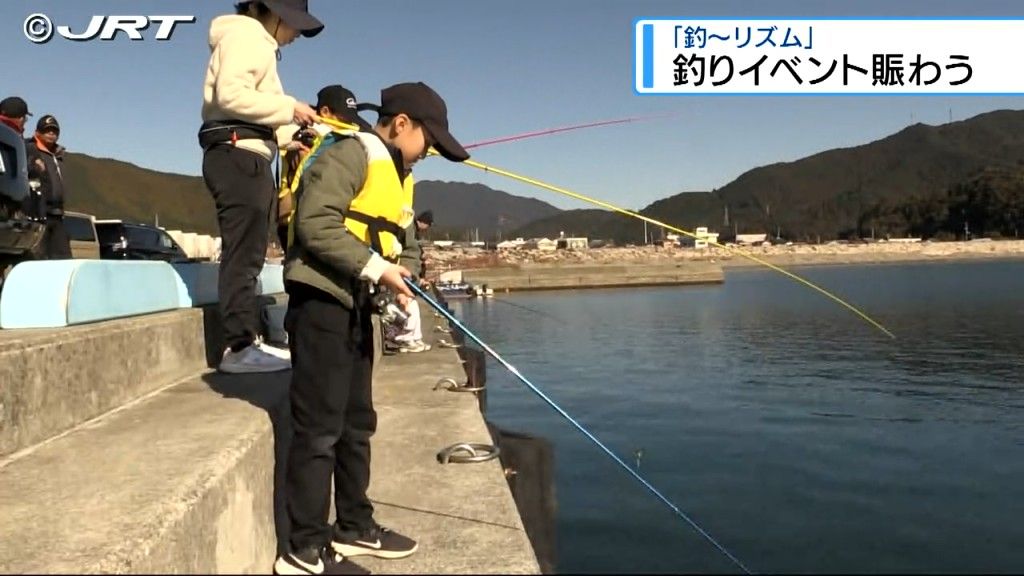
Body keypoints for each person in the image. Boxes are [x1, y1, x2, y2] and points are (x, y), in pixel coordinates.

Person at [277, 82, 469, 575]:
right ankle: (303, 549)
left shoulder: (400, 175)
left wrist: (399, 278)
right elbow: (315, 227)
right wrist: (377, 269)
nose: (428, 153)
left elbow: (402, 241)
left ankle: (354, 527)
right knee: (318, 430)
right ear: (401, 123)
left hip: (358, 308)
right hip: (320, 304)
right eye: (429, 140)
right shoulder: (349, 154)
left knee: (357, 423)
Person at [199, 0, 323, 374]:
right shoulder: (247, 37)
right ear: (273, 13)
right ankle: (238, 347)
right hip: (238, 156)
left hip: (247, 152)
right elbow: (231, 97)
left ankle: (247, 340)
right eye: (295, 25)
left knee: (250, 251)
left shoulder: (251, 40)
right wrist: (290, 108)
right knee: (243, 253)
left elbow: (253, 110)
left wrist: (290, 137)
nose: (297, 35)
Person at [277, 84, 371, 253]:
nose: (348, 125)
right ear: (325, 112)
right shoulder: (305, 140)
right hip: (297, 224)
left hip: (312, 222)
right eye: (343, 119)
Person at [25, 115, 71, 259]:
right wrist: (33, 167)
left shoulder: (58, 155)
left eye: (54, 131)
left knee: (62, 258)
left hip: (57, 213)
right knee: (38, 257)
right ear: (37, 132)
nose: (51, 133)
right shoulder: (30, 149)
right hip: (38, 212)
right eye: (47, 130)